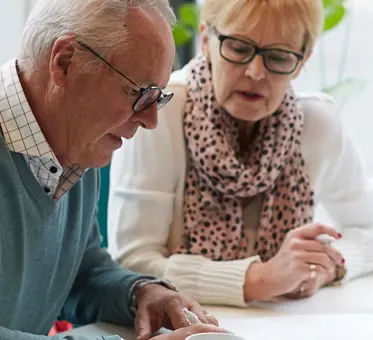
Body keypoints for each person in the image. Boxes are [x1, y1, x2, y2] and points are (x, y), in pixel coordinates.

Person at [107, 0, 373, 308]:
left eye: (278, 56)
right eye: (239, 48)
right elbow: (133, 263)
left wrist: (324, 267)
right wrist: (256, 279)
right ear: (205, 40)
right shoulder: (163, 111)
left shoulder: (317, 123)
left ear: (302, 61)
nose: (256, 72)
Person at [0, 1, 232, 339]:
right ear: (66, 63)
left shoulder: (76, 142)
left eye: (158, 97)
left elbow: (82, 273)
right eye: (140, 93)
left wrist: (141, 293)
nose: (151, 120)